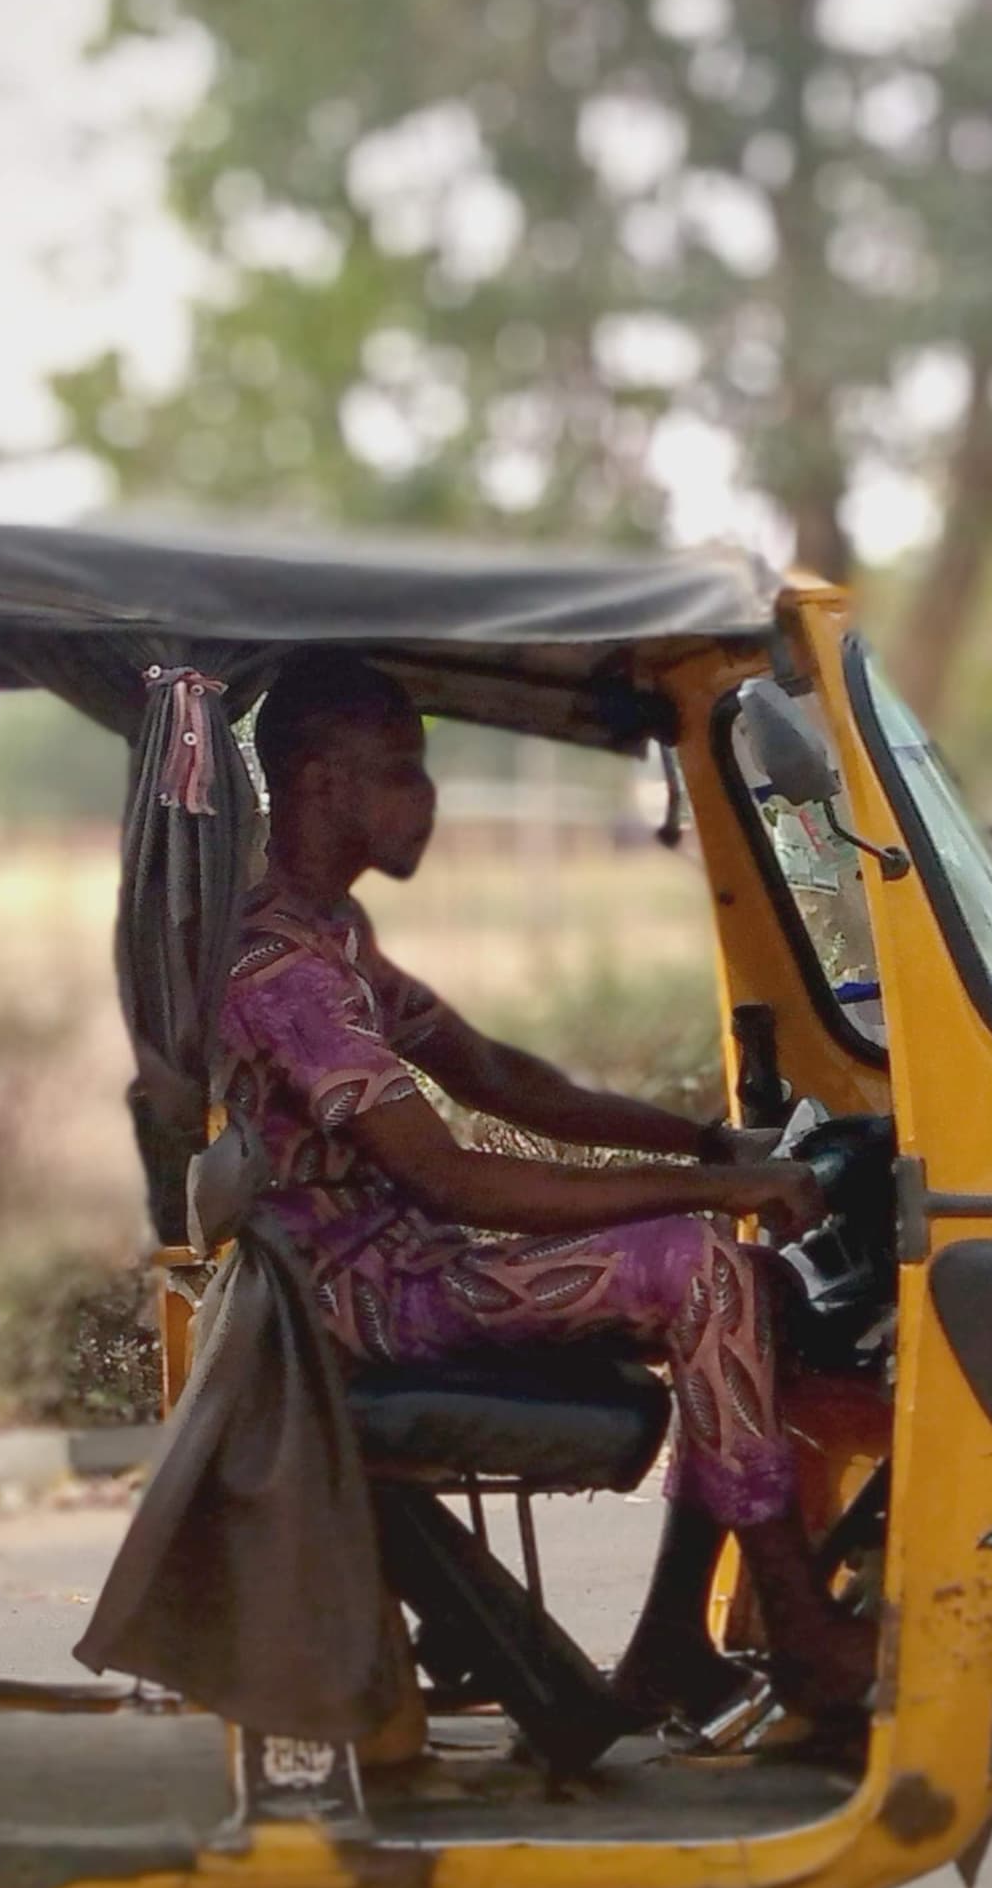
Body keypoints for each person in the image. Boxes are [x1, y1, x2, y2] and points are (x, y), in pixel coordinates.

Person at [210, 653, 868, 1721]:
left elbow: (497, 1076)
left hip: (403, 1263)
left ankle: (668, 1649)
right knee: (706, 1267)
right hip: (358, 1299)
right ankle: (800, 1636)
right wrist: (704, 1191)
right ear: (323, 782)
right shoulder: (282, 970)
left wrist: (710, 1144)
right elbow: (449, 1175)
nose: (426, 802)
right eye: (402, 773)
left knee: (746, 1285)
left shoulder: (330, 934)